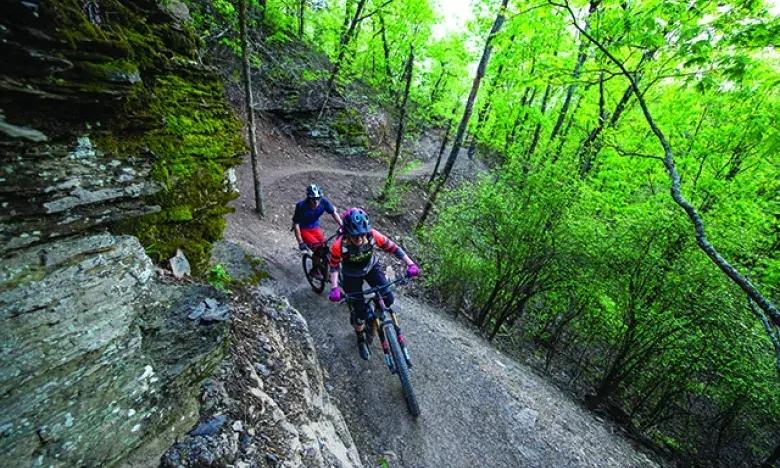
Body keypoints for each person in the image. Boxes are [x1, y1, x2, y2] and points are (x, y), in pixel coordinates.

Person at [327, 208, 420, 360]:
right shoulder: (339, 246)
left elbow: (394, 248)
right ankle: (361, 339)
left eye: (362, 234)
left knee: (388, 298)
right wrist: (335, 287)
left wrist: (410, 264)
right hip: (351, 274)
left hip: (371, 267)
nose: (359, 239)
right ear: (347, 233)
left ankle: (373, 318)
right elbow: (334, 266)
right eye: (355, 236)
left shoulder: (373, 235)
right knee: (359, 313)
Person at [292, 184, 342, 277]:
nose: (316, 202)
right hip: (304, 229)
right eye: (313, 199)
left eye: (318, 198)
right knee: (318, 250)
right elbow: (296, 224)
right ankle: (314, 270)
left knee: (325, 248)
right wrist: (300, 242)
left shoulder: (324, 202)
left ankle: (324, 267)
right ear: (308, 198)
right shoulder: (301, 206)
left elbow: (333, 213)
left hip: (315, 227)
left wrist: (342, 225)